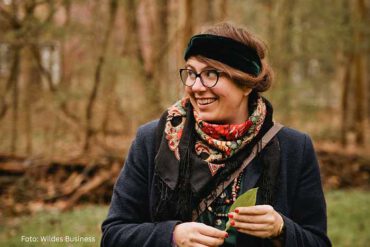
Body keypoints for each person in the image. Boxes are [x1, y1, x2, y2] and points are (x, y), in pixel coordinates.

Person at [101, 22, 331, 247]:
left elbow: (318, 241)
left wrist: (281, 229)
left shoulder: (293, 147)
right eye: (191, 73)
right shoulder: (153, 139)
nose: (196, 86)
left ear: (246, 84)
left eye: (211, 74)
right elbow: (113, 234)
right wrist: (172, 236)